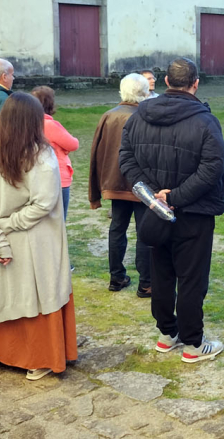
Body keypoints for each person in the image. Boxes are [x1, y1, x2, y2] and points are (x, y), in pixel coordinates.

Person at [119, 58, 224, 363]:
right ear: (195, 84)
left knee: (164, 271)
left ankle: (169, 334)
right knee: (187, 278)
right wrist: (159, 195)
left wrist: (169, 196)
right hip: (180, 212)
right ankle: (190, 342)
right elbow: (126, 156)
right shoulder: (142, 117)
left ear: (167, 82)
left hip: (175, 207)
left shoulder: (202, 121)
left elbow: (211, 167)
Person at [0, 93, 76, 381]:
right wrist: (7, 228)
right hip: (33, 240)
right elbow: (45, 203)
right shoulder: (42, 156)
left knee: (10, 292)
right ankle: (38, 357)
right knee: (35, 294)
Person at [88, 74, 153, 296]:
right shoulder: (146, 117)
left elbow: (96, 154)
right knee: (144, 232)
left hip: (115, 182)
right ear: (144, 93)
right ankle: (146, 283)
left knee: (117, 228)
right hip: (141, 184)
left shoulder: (109, 116)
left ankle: (116, 277)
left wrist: (97, 189)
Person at [30, 86, 79, 221]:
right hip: (56, 177)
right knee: (58, 219)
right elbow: (73, 144)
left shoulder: (27, 124)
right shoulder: (50, 125)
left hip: (34, 176)